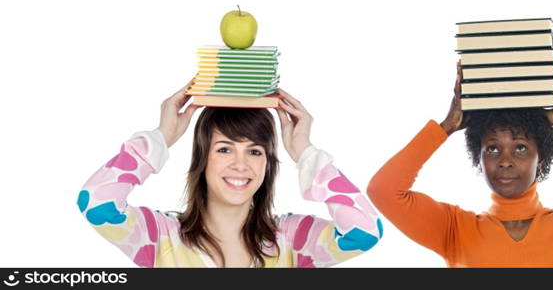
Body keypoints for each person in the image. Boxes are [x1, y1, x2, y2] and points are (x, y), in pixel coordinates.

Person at [367, 58, 553, 267]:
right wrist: (446, 126)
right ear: (479, 157)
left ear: (542, 156)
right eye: (492, 149)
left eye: (521, 147)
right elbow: (383, 190)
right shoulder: (453, 229)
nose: (505, 161)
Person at [78, 81, 382, 267]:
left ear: (268, 163)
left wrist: (305, 152)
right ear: (203, 158)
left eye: (254, 151)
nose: (241, 164)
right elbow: (96, 203)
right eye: (224, 149)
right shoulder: (160, 236)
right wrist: (162, 136)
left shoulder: (293, 240)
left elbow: (364, 232)